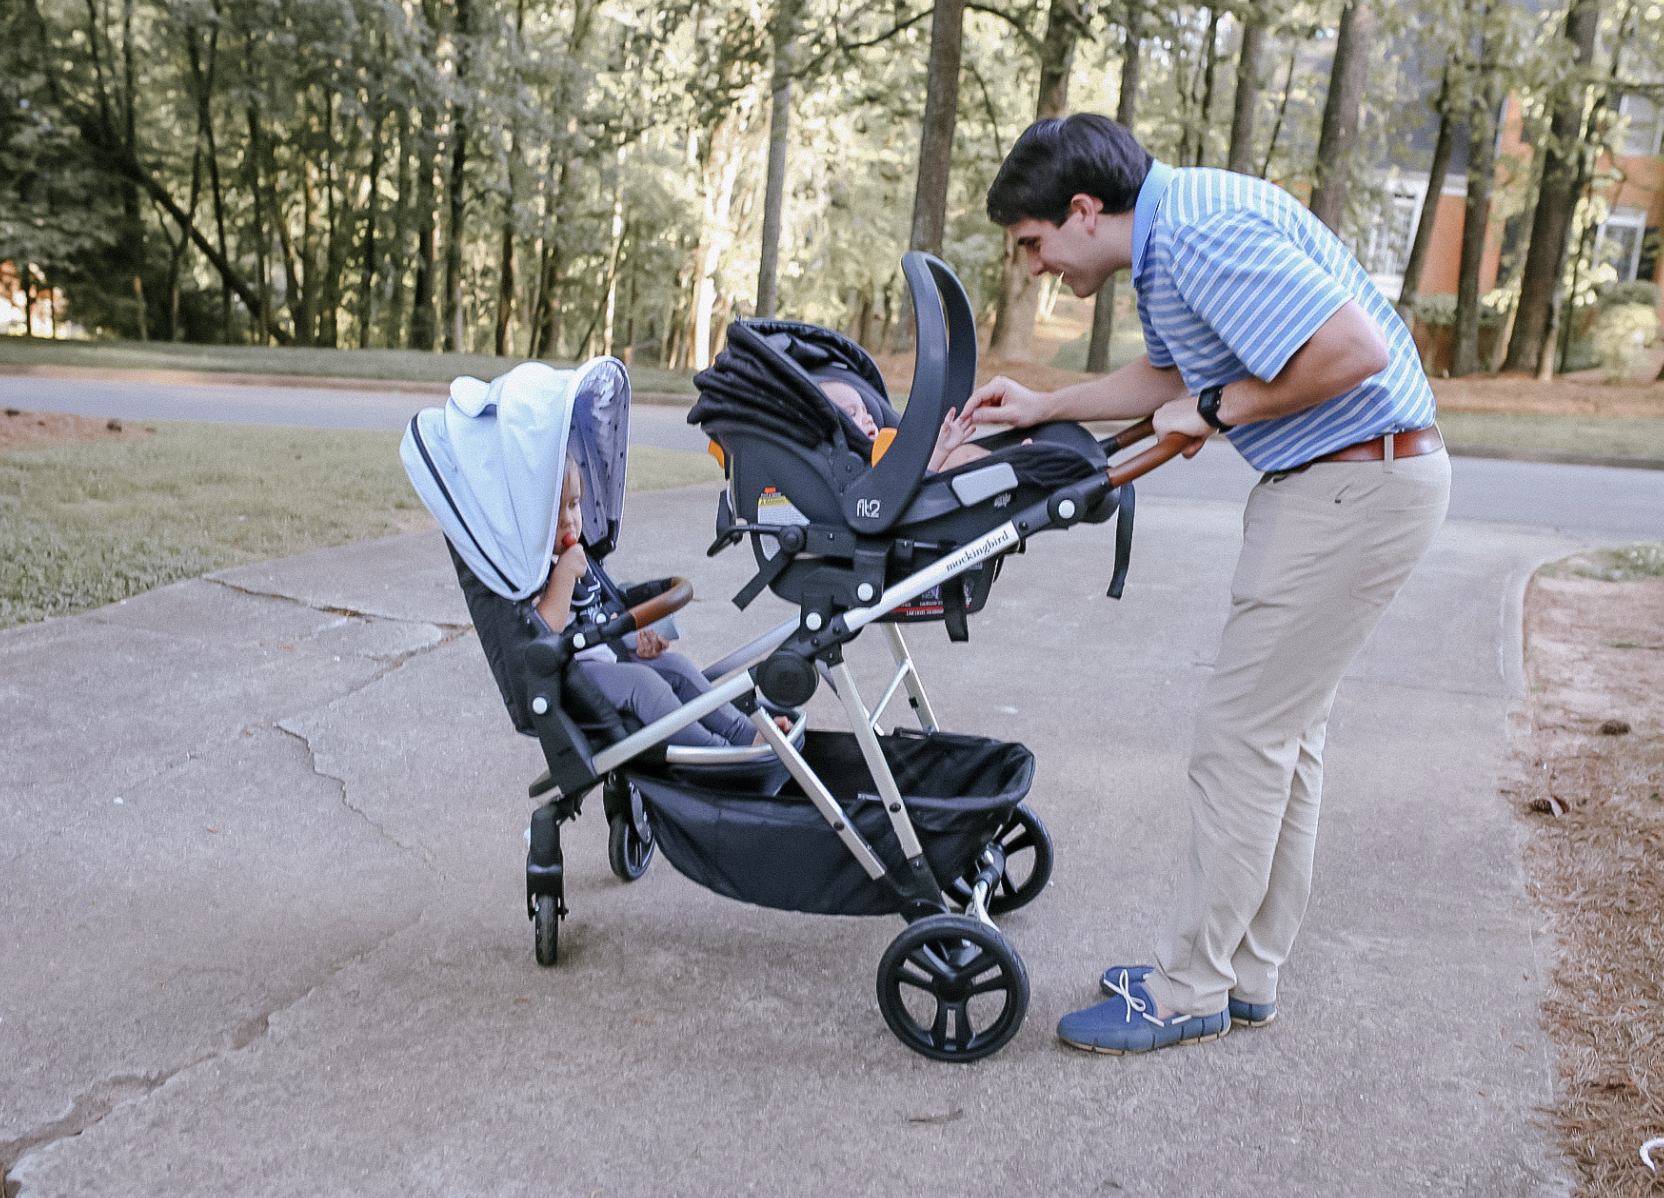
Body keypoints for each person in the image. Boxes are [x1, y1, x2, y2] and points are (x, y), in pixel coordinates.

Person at [965, 114, 1451, 1054]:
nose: (1035, 268)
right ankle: (1243, 974)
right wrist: (1048, 405)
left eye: (1032, 245)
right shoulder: (1174, 231)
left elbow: (1352, 350)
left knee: (1240, 741)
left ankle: (1189, 989)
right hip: (1350, 479)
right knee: (1286, 740)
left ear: (1081, 211)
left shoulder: (1194, 231)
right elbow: (1173, 373)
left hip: (1354, 482)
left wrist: (1219, 410)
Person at [536, 454, 790, 748]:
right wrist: (565, 574)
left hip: (603, 653)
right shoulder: (535, 569)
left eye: (574, 504)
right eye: (555, 511)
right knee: (644, 685)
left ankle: (745, 733)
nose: (568, 520)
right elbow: (544, 629)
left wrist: (633, 638)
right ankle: (713, 752)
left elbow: (601, 612)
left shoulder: (580, 556)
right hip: (572, 674)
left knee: (677, 667)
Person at [818, 378, 989, 472]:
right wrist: (942, 450)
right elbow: (905, 488)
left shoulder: (886, 445)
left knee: (966, 453)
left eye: (865, 410)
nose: (868, 418)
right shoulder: (862, 468)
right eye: (852, 413)